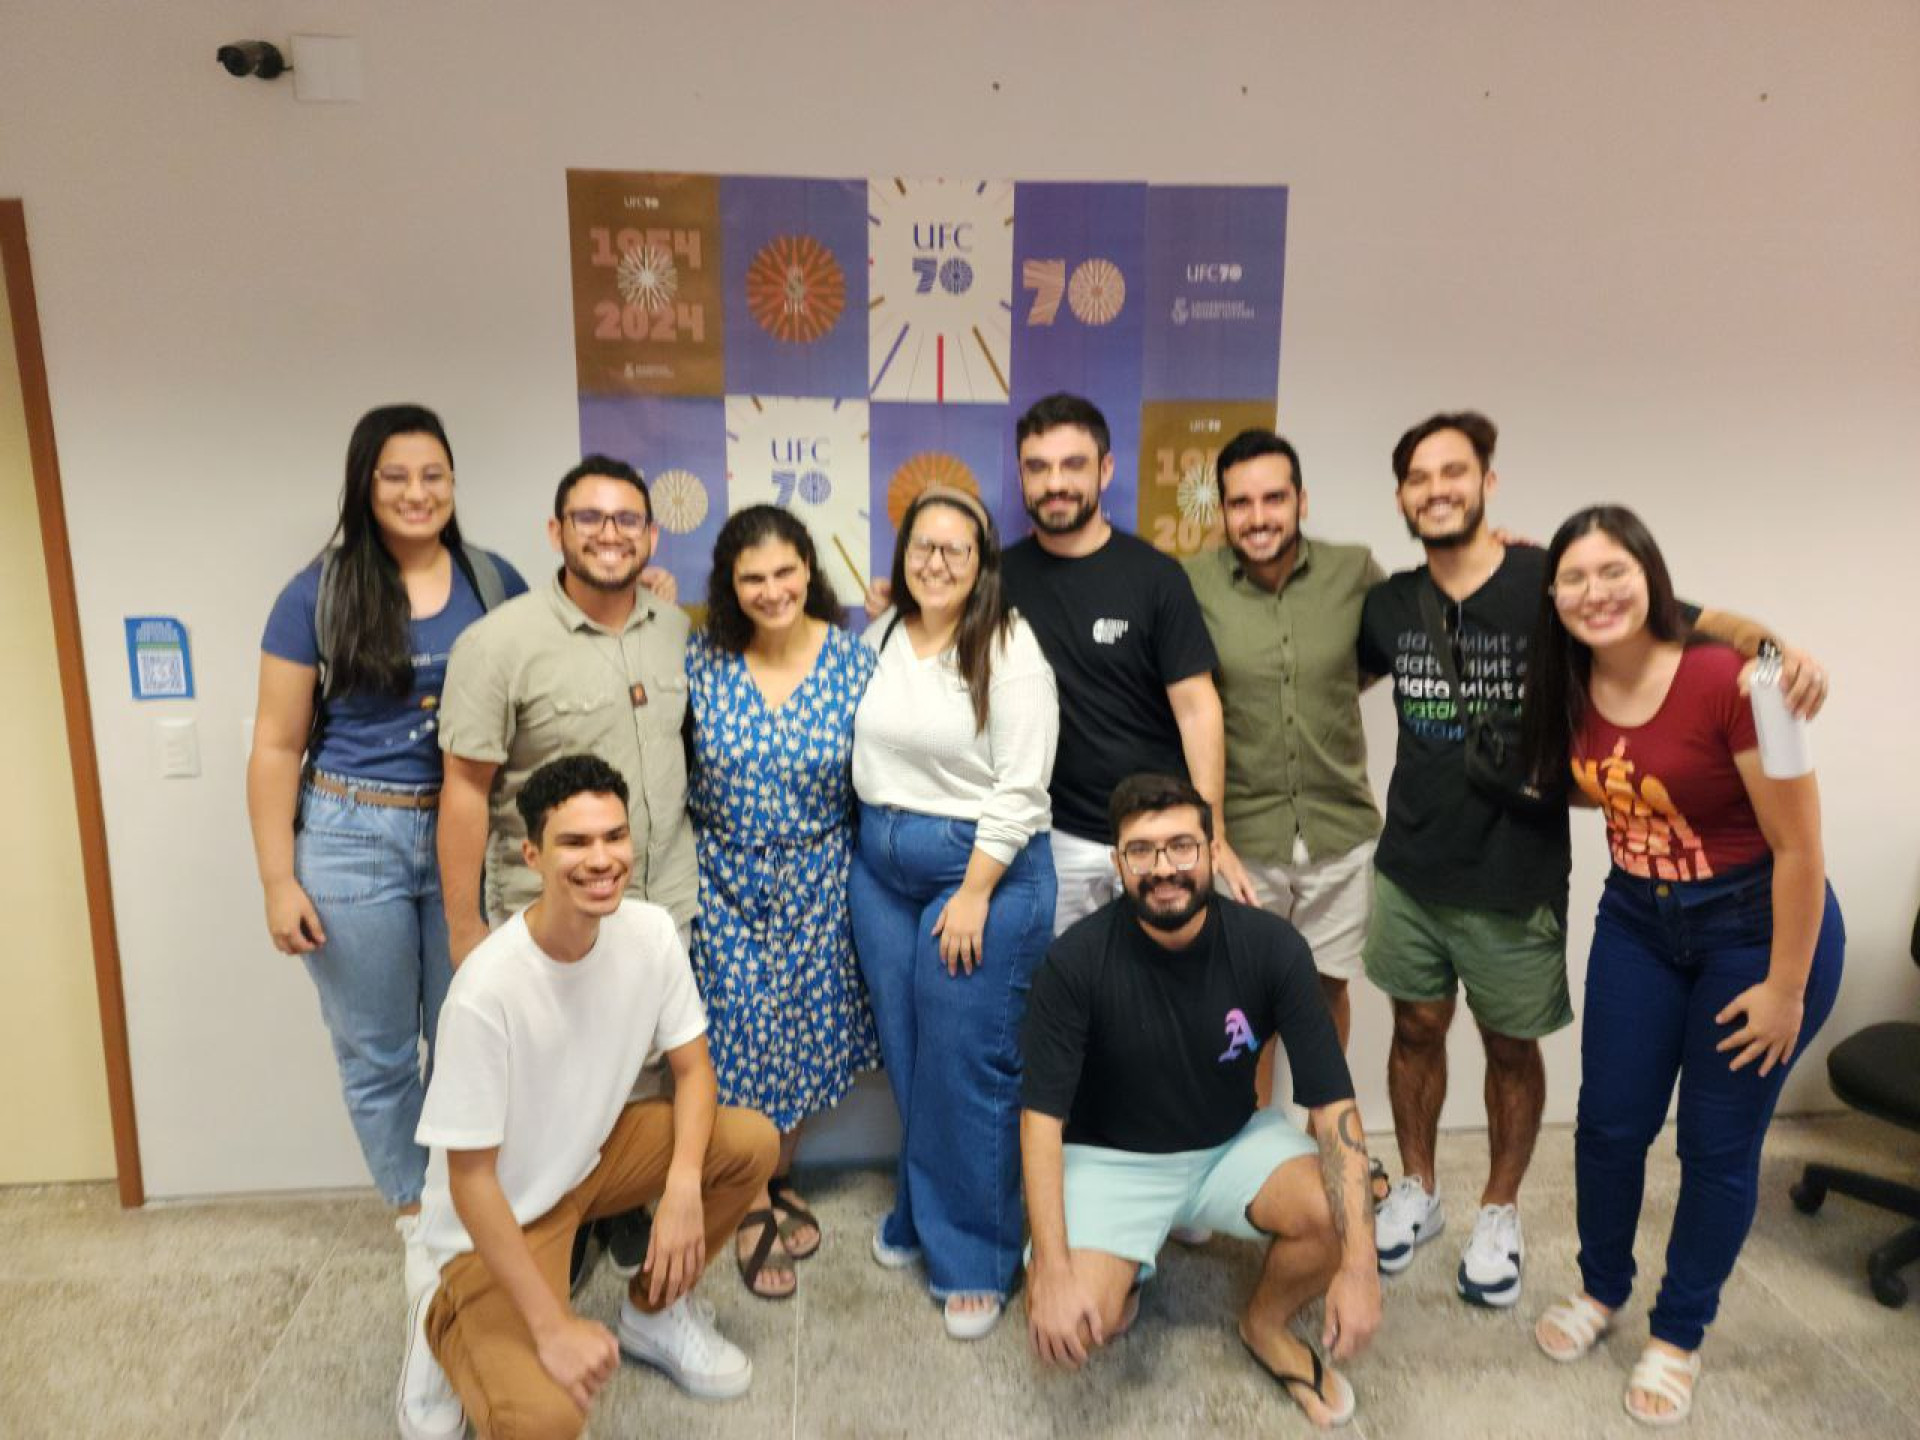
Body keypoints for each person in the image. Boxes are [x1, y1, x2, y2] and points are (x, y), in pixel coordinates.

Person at [1357, 411, 1830, 1310]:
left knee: (1510, 1047)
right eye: (1419, 478)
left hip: (1515, 874)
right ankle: (1417, 1189)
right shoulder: (1389, 605)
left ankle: (1499, 1211)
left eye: (1455, 472)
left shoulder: (1554, 581)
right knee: (1415, 1030)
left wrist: (1778, 654)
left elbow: (1690, 620)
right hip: (1410, 866)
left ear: (1488, 483)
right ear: (1401, 497)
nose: (1437, 490)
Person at [1520, 507, 1843, 1426]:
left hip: (1757, 929)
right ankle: (1601, 1288)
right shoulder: (1567, 679)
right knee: (1608, 1126)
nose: (1595, 593)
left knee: (1715, 1146)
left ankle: (1678, 1333)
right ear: (1554, 596)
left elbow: (1801, 850)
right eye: (1574, 577)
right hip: (1638, 920)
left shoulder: (1740, 681)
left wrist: (1785, 987)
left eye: (1613, 571)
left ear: (1652, 576)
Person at [398, 755, 777, 1440]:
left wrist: (683, 1187)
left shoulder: (650, 934)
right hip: (498, 1215)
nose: (601, 859)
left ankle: (655, 1313)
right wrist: (553, 1329)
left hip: (588, 1165)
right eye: (575, 842)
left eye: (614, 836)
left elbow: (694, 1071)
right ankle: (440, 1312)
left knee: (749, 1143)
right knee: (544, 1421)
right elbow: (471, 1180)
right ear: (532, 856)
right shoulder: (486, 990)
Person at [246, 403, 526, 1302]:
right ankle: (418, 1217)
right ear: (365, 486)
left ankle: (466, 1202)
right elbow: (276, 745)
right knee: (377, 1053)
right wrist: (278, 880)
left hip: (465, 836)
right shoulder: (316, 593)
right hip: (350, 837)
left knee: (471, 1037)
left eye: (433, 474)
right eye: (395, 476)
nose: (417, 492)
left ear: (453, 483)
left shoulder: (494, 581)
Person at [1020, 773, 1381, 1429]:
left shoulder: (1273, 947)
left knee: (1343, 1211)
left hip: (1230, 1145)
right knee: (1078, 1326)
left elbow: (1334, 1109)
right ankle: (1127, 1271)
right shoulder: (1074, 962)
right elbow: (1040, 1123)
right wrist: (1049, 1268)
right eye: (1142, 851)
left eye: (1182, 846)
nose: (1164, 868)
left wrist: (1360, 1266)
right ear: (1118, 863)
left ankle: (1264, 1325)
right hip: (1112, 1161)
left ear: (1214, 851)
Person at [437, 454, 692, 1280]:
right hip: (551, 913)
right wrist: (465, 929)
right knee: (554, 1081)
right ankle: (558, 1217)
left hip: (662, 899)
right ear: (556, 532)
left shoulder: (673, 629)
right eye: (589, 518)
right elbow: (465, 791)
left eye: (627, 519)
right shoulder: (498, 644)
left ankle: (623, 1205)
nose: (609, 534)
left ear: (650, 535)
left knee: (643, 1067)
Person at [849, 485, 1059, 1339]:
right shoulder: (882, 634)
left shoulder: (1008, 645)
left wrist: (974, 892)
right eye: (922, 548)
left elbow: (1023, 785)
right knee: (909, 1057)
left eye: (955, 550)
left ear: (981, 564)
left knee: (968, 1065)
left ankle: (978, 1255)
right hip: (881, 871)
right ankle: (922, 1209)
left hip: (981, 873)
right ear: (902, 556)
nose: (936, 563)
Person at [686, 504, 880, 1301]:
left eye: (784, 572)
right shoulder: (700, 660)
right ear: (730, 586)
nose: (772, 590)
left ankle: (778, 1172)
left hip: (821, 877)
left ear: (809, 569)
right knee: (732, 1041)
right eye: (753, 578)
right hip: (723, 878)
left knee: (803, 1038)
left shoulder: (855, 663)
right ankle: (747, 1198)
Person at [999, 393, 1253, 933]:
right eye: (1038, 467)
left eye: (1073, 464)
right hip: (1054, 837)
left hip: (1156, 833)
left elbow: (1197, 707)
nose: (1055, 482)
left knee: (1166, 975)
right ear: (1021, 475)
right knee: (1066, 978)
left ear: (1106, 469)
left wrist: (1212, 831)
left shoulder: (1155, 576)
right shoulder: (996, 581)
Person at [1183, 428, 1384, 1056]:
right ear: (1222, 510)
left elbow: (1383, 652)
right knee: (1243, 1001)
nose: (1258, 517)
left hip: (1339, 828)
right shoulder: (1191, 583)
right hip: (1242, 839)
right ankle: (1255, 1125)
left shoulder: (1353, 571)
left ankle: (1320, 1118)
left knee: (1326, 990)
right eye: (1240, 503)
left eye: (1274, 498)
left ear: (1302, 500)